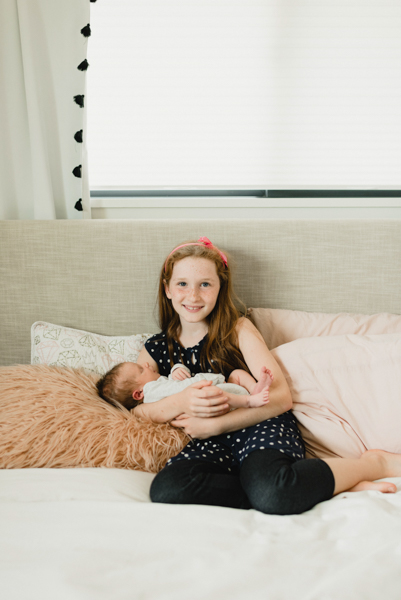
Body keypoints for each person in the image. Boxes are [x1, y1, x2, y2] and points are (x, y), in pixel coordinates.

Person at [134, 236, 401, 515]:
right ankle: (309, 484)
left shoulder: (238, 329)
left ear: (220, 288)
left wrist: (217, 425)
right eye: (182, 284)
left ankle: (374, 464)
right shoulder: (155, 348)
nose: (193, 296)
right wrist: (182, 402)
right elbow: (136, 411)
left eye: (205, 284)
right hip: (206, 440)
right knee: (168, 489)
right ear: (167, 289)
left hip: (258, 425)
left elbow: (281, 398)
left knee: (274, 492)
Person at [96, 360, 274, 412]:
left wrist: (177, 370)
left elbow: (174, 383)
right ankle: (249, 401)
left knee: (237, 374)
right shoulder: (151, 393)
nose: (147, 365)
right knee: (212, 393)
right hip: (214, 396)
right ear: (138, 394)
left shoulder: (158, 385)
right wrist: (209, 380)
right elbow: (181, 389)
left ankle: (255, 389)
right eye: (141, 369)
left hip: (223, 387)